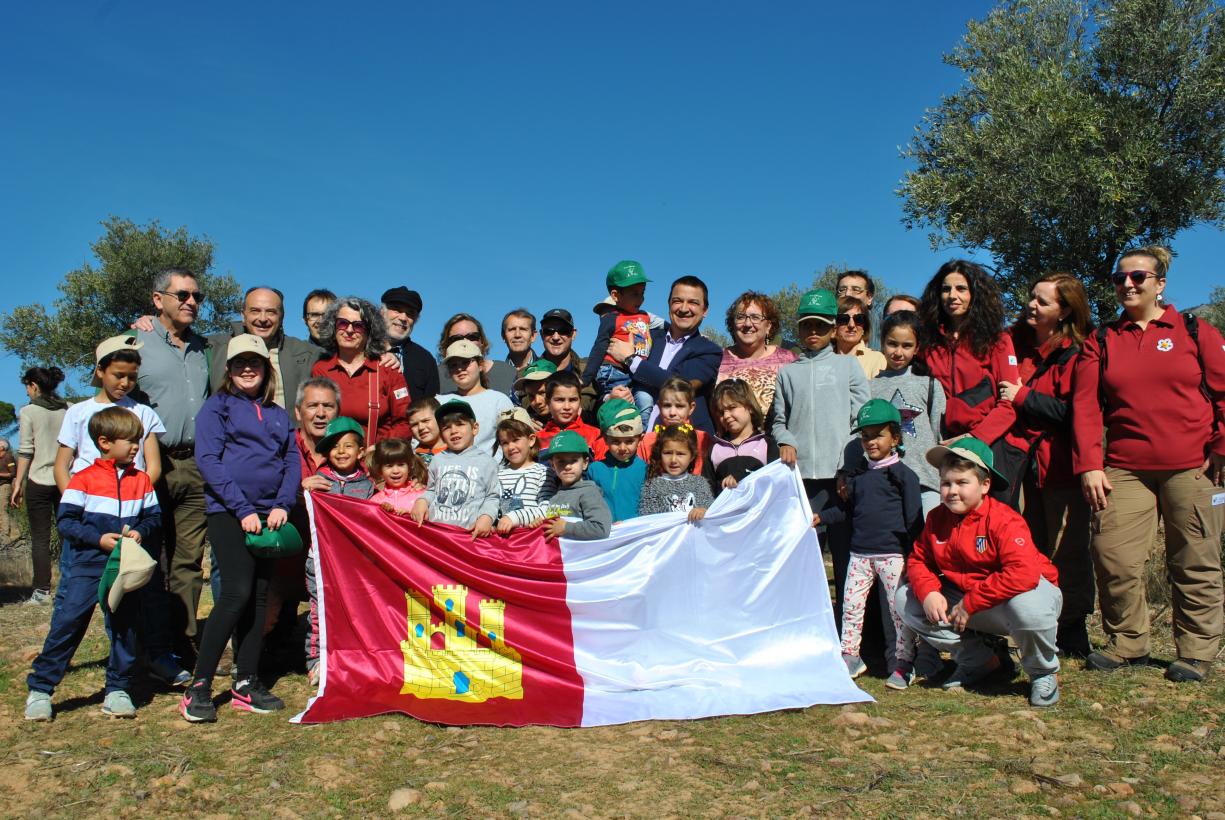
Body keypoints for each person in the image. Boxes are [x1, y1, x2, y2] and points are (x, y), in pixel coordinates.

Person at [1073, 246, 1225, 682]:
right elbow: (1086, 407)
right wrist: (1090, 464)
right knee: (1113, 556)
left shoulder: (1193, 330)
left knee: (1195, 560)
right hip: (1125, 467)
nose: (1128, 284)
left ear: (1160, 283)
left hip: (1194, 467)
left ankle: (1196, 652)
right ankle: (1128, 643)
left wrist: (1222, 447)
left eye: (1138, 276)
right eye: (1119, 278)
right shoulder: (1103, 339)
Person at [180, 335, 301, 723]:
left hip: (270, 516)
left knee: (261, 597)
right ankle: (198, 687)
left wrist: (282, 503)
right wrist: (243, 508)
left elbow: (292, 460)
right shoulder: (217, 407)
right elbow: (209, 460)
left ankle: (246, 682)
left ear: (266, 368)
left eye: (255, 362)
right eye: (239, 363)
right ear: (228, 369)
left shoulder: (278, 414)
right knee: (236, 593)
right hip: (229, 513)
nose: (247, 369)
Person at [896, 438, 1063, 707]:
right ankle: (981, 662)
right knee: (906, 598)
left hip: (1017, 598)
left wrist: (971, 603)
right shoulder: (937, 518)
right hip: (969, 602)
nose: (952, 491)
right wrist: (928, 592)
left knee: (1028, 608)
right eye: (946, 483)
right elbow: (918, 560)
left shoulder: (1004, 519)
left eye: (962, 483)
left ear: (985, 485)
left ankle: (1042, 672)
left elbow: (1023, 573)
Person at [24, 407, 163, 721]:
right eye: (130, 441)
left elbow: (154, 517)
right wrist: (98, 539)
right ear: (104, 442)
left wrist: (140, 531)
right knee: (68, 623)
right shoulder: (82, 480)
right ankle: (41, 689)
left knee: (125, 627)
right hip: (87, 565)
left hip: (124, 568)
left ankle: (118, 689)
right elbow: (67, 522)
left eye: (138, 441)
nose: (136, 447)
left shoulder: (142, 481)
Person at [999, 273, 1095, 658]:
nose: (1031, 305)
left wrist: (1023, 397)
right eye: (1031, 297)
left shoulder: (1078, 352)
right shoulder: (1015, 343)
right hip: (1020, 466)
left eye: (1042, 301)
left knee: (1069, 550)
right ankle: (1030, 625)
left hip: (1059, 467)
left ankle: (1071, 627)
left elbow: (1076, 412)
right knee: (1027, 548)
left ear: (1065, 310)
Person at [772, 288, 869, 617]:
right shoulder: (787, 372)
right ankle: (804, 622)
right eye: (807, 325)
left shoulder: (848, 367)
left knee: (845, 559)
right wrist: (786, 441)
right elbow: (779, 421)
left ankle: (848, 631)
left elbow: (861, 421)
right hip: (802, 481)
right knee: (805, 558)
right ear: (798, 328)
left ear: (833, 329)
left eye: (821, 325)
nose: (813, 331)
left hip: (840, 480)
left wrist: (847, 468)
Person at [813, 400, 922, 687]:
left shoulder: (905, 477)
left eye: (878, 435)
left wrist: (914, 558)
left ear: (895, 438)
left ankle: (903, 663)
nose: (871, 441)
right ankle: (850, 656)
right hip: (859, 555)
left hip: (893, 556)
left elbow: (914, 521)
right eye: (865, 436)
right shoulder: (859, 477)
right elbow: (846, 511)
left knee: (898, 612)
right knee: (850, 607)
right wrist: (821, 517)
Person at [133, 267, 211, 664]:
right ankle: (147, 645)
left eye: (196, 296)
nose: (191, 302)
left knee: (188, 560)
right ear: (157, 299)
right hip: (151, 463)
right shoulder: (136, 342)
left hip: (196, 464)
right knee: (147, 555)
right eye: (182, 295)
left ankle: (183, 641)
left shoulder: (205, 347)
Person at [917, 260, 1021, 498]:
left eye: (961, 289)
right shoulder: (928, 343)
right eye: (946, 289)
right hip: (944, 447)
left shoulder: (997, 340)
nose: (952, 296)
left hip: (989, 445)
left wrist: (975, 437)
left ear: (975, 295)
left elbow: (1009, 403)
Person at [304, 416, 375, 683]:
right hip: (320, 559)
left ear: (360, 452)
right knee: (319, 610)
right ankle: (316, 661)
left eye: (348, 446)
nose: (341, 451)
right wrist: (304, 488)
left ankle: (353, 655)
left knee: (355, 609)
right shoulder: (318, 481)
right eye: (334, 446)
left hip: (353, 563)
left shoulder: (368, 486)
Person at [609, 276, 723, 435]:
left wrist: (631, 360)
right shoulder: (646, 336)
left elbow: (682, 385)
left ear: (705, 311)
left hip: (684, 443)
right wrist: (609, 396)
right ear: (669, 304)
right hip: (632, 440)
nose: (684, 308)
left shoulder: (710, 351)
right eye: (677, 301)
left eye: (693, 302)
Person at [55, 336, 163, 492]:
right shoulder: (77, 412)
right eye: (118, 375)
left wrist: (135, 494)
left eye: (132, 377)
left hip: (131, 497)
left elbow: (154, 467)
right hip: (86, 496)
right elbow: (61, 467)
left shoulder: (144, 413)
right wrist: (73, 499)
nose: (125, 383)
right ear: (100, 371)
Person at [873, 311, 945, 515]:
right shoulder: (870, 386)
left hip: (926, 481)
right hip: (883, 482)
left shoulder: (930, 385)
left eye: (906, 346)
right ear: (882, 343)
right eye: (892, 343)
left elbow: (938, 436)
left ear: (917, 348)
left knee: (928, 534)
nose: (898, 352)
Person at [312, 296, 411, 444]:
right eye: (343, 323)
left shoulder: (388, 370)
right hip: (333, 455)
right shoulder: (321, 370)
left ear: (370, 332)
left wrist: (379, 449)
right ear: (333, 327)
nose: (349, 330)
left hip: (378, 455)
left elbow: (405, 423)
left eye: (358, 325)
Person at [13, 366, 68, 604]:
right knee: (69, 535)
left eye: (27, 387)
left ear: (34, 385)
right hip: (66, 480)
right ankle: (71, 585)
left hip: (39, 480)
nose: (27, 392)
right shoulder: (69, 409)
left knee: (40, 538)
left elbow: (26, 450)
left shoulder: (29, 411)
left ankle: (42, 591)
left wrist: (18, 483)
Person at [409, 400, 501, 537]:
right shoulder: (437, 460)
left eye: (460, 424)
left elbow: (492, 497)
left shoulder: (488, 462)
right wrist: (421, 501)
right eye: (446, 427)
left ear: (475, 428)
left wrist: (486, 517)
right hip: (436, 533)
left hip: (467, 536)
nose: (453, 431)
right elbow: (431, 490)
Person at [582, 260, 654, 421]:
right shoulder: (611, 319)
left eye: (642, 292)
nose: (641, 298)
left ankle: (642, 433)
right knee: (620, 410)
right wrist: (586, 378)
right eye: (634, 294)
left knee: (644, 401)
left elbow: (665, 327)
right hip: (614, 371)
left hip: (635, 372)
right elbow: (599, 348)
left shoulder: (644, 316)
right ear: (616, 295)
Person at [716, 290, 797, 417]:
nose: (748, 324)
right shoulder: (716, 359)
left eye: (755, 317)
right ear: (733, 324)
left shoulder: (789, 360)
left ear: (768, 326)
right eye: (740, 317)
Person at [437, 339, 514, 457]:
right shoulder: (439, 401)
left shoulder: (499, 400)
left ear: (480, 365)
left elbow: (510, 439)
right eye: (453, 365)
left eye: (466, 362)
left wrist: (493, 465)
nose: (459, 368)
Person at [704, 378, 777, 493]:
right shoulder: (715, 450)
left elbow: (777, 483)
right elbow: (706, 490)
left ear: (750, 407)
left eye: (732, 407)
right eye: (721, 412)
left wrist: (743, 477)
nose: (726, 416)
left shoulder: (767, 445)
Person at [539, 430, 613, 540]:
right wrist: (540, 522)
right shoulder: (553, 493)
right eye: (561, 461)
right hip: (558, 550)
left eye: (573, 460)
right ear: (552, 465)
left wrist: (566, 528)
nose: (567, 467)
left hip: (582, 551)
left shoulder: (589, 493)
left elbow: (601, 528)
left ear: (585, 463)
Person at [638, 425, 713, 523]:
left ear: (692, 456)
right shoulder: (652, 486)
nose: (673, 460)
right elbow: (648, 520)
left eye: (680, 454)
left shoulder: (700, 483)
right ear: (660, 454)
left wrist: (704, 511)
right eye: (668, 453)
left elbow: (711, 512)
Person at [589, 398, 647, 523]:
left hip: (635, 531)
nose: (622, 448)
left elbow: (649, 506)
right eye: (615, 441)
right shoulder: (595, 469)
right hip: (603, 530)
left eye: (629, 441)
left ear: (640, 439)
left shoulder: (645, 470)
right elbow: (589, 504)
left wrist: (630, 524)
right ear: (605, 439)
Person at [637, 375, 709, 476]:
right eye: (667, 405)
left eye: (679, 406)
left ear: (691, 408)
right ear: (659, 406)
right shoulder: (648, 441)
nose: (672, 413)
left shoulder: (702, 439)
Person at [536, 308, 599, 421]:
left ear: (573, 334)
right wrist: (527, 420)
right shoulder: (527, 375)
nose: (556, 337)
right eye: (549, 331)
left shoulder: (592, 370)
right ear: (541, 334)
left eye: (563, 331)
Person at [494, 408, 549, 533]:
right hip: (500, 540)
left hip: (529, 539)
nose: (511, 447)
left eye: (515, 440)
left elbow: (548, 508)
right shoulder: (497, 474)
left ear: (531, 440)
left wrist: (514, 518)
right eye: (505, 443)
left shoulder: (543, 473)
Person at [382, 287, 440, 402]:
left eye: (410, 314)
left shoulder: (425, 360)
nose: (403, 318)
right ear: (382, 312)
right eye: (397, 310)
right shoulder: (361, 349)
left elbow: (431, 407)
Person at [436, 314, 516, 396]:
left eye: (472, 337)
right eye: (456, 338)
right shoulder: (436, 375)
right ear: (446, 344)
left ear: (482, 341)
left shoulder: (507, 372)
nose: (465, 342)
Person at [535, 370, 607, 459]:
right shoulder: (537, 439)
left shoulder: (596, 435)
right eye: (560, 400)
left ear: (580, 401)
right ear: (547, 401)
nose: (567, 407)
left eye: (573, 400)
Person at [833, 296, 887, 379]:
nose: (851, 325)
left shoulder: (877, 359)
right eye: (843, 319)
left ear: (864, 327)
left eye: (858, 319)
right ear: (834, 325)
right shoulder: (821, 359)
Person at [370, 438, 428, 515]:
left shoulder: (421, 494)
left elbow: (429, 518)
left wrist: (409, 514)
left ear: (409, 466)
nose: (396, 471)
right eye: (389, 466)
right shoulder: (376, 501)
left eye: (401, 465)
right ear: (380, 470)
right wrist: (383, 511)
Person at [514, 360, 557, 428]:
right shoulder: (527, 423)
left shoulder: (574, 418)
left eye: (543, 393)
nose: (537, 401)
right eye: (531, 396)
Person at [501, 308, 540, 380]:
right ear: (503, 336)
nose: (517, 335)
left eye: (523, 329)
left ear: (533, 336)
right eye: (512, 329)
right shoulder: (496, 375)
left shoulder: (547, 370)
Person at [406, 397, 446, 464]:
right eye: (414, 424)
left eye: (425, 421)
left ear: (440, 419)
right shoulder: (411, 458)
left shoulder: (456, 451)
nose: (420, 427)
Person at [0, 440, 22, 547]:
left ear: (2, 447)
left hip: (5, 486)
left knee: (2, 509)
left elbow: (13, 473)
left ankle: (4, 533)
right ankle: (13, 532)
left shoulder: (8, 457)